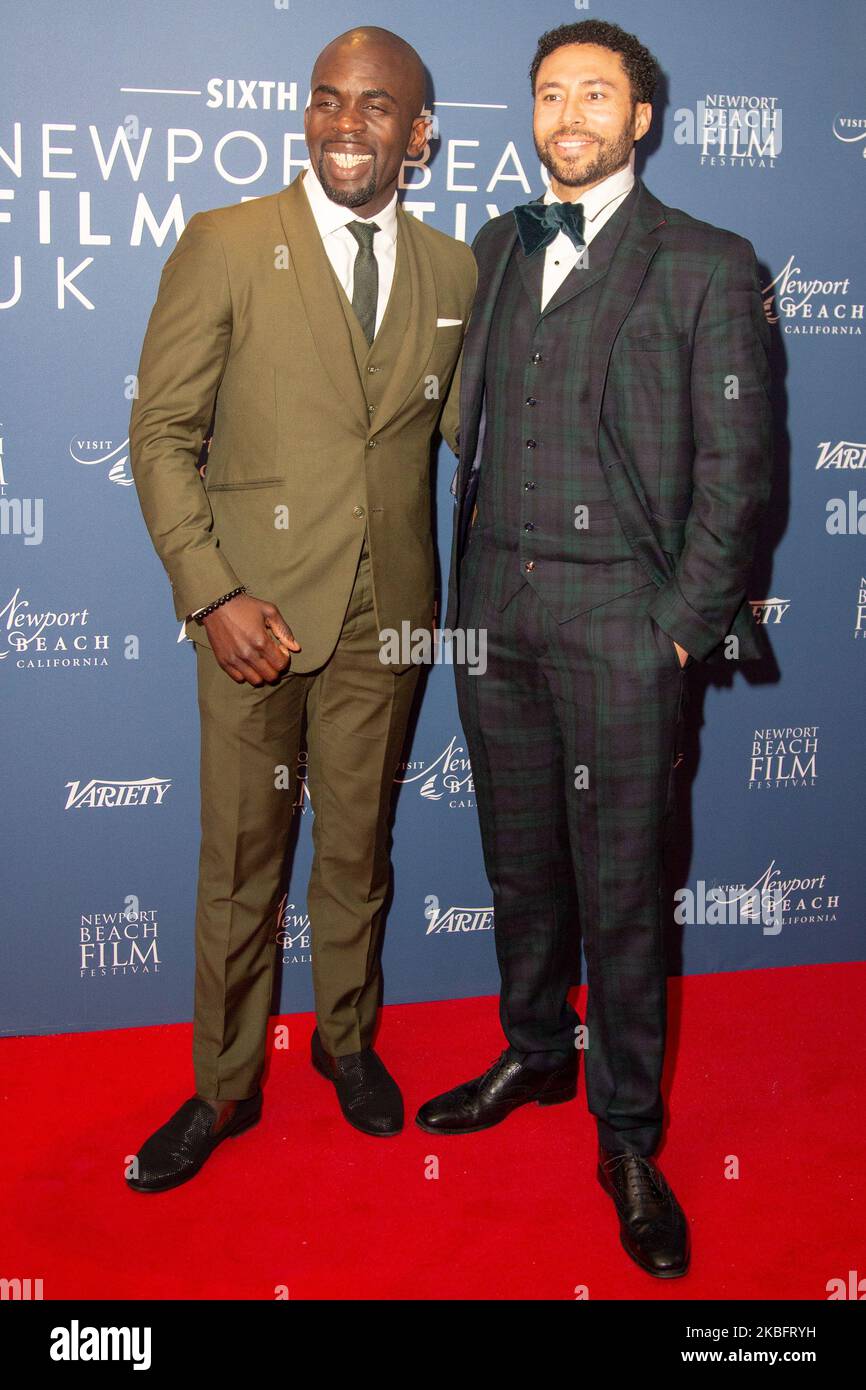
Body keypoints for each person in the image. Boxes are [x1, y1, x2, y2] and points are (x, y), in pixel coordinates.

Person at [417, 19, 772, 1279]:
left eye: (595, 95)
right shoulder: (498, 245)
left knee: (621, 892)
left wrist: (674, 634)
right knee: (519, 861)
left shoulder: (707, 264)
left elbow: (740, 479)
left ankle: (626, 1132)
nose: (568, 114)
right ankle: (531, 1046)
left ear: (640, 119)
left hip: (624, 627)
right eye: (549, 93)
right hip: (494, 615)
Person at [126, 26, 476, 1191]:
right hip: (254, 618)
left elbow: (467, 441)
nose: (345, 124)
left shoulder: (454, 270)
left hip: (391, 619)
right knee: (239, 859)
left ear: (416, 134)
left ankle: (346, 1043)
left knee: (358, 854)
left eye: (376, 107)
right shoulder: (227, 243)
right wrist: (210, 590)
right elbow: (162, 435)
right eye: (327, 100)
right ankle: (221, 1085)